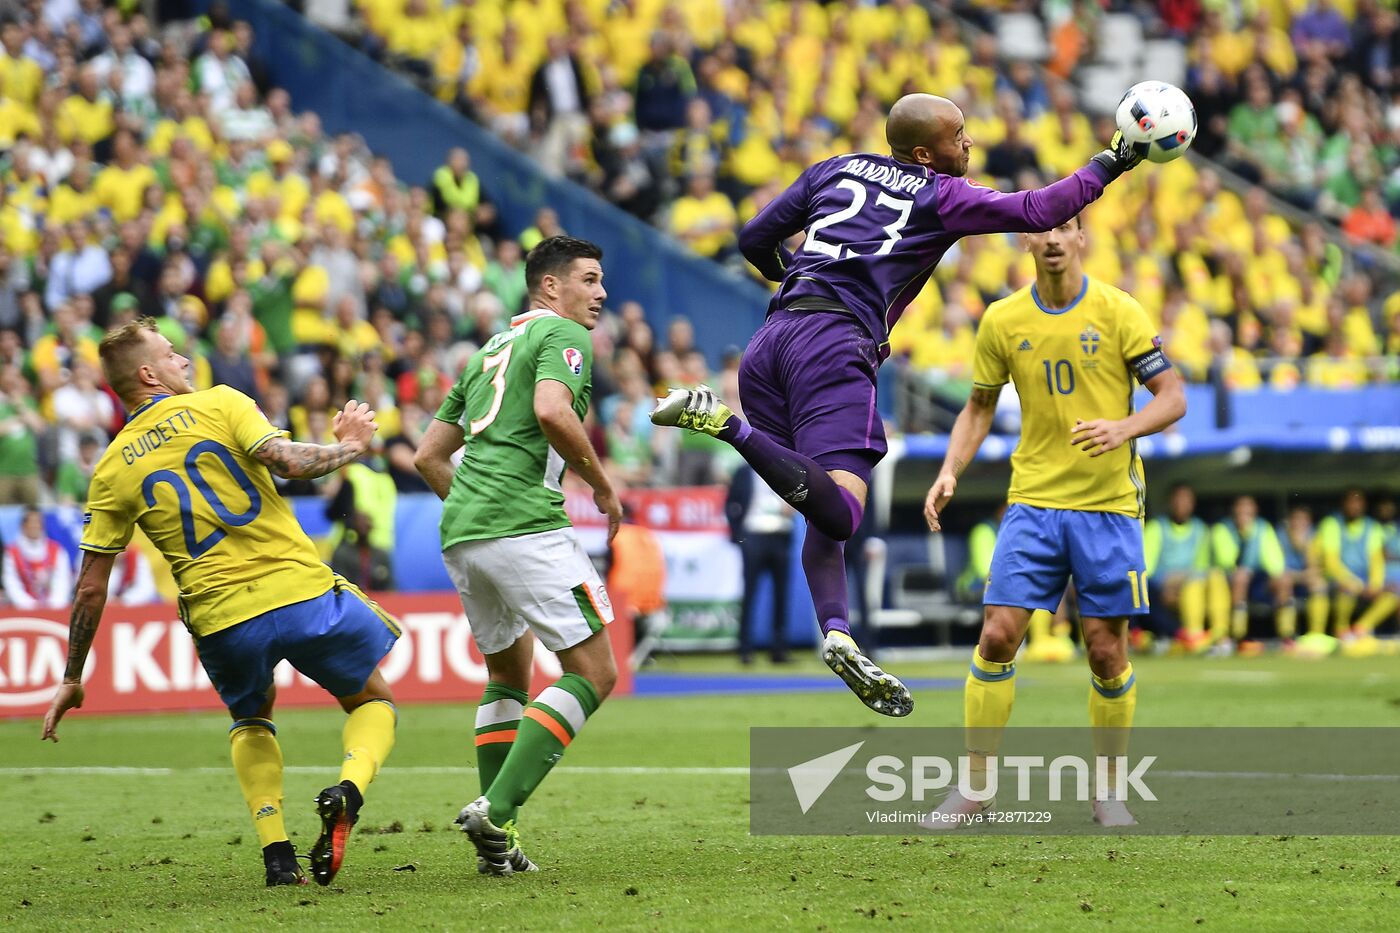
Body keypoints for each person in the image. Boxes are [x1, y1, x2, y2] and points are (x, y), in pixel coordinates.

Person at [651, 92, 1147, 717]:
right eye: (958, 135)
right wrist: (1114, 160)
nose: (969, 144)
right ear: (924, 153)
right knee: (842, 515)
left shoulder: (835, 169)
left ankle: (836, 631)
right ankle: (725, 425)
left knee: (819, 502)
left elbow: (753, 239)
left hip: (770, 343)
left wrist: (797, 277)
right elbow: (1039, 208)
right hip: (834, 348)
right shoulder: (940, 194)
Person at [41, 319, 400, 889]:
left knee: (251, 718)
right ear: (147, 373)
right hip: (298, 591)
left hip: (221, 618)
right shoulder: (222, 402)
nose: (184, 360)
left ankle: (278, 856)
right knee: (371, 700)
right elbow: (286, 460)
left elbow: (89, 585)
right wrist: (350, 446)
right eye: (171, 353)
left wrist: (71, 675)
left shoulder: (110, 468)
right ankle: (348, 792)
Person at [921, 214, 1186, 826]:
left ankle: (1109, 793)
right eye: (1041, 229)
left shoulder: (1119, 311)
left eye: (1065, 227)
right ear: (1026, 240)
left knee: (1104, 650)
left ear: (1082, 238)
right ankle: (976, 788)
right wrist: (950, 469)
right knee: (995, 636)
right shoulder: (1002, 319)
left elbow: (1173, 396)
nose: (1053, 239)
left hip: (1108, 507)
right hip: (1033, 503)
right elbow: (978, 407)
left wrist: (1124, 427)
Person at [413, 236, 621, 875]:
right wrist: (603, 485)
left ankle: (498, 847)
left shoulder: (483, 354)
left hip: (463, 533)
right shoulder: (563, 336)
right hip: (525, 526)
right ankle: (495, 811)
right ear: (550, 288)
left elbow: (427, 456)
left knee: (508, 675)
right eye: (589, 279)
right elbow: (552, 410)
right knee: (595, 672)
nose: (601, 293)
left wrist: (477, 510)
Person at [1316, 488, 1399, 655]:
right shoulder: (1331, 524)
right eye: (1351, 502)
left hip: (1364, 579)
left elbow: (1376, 560)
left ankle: (1360, 629)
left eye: (1358, 503)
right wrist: (1351, 581)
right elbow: (1332, 562)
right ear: (1344, 504)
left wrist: (1375, 584)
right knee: (1346, 590)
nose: (1354, 507)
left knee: (1393, 593)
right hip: (1338, 579)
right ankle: (1341, 630)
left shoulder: (1372, 527)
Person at [726, 464, 794, 665]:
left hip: (780, 533)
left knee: (781, 595)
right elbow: (731, 503)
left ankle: (779, 649)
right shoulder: (744, 471)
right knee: (750, 593)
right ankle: (745, 649)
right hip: (754, 534)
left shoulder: (785, 469)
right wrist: (738, 535)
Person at [1210, 495, 1288, 652]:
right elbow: (1227, 561)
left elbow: (1274, 562)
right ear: (1234, 511)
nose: (1244, 514)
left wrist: (1275, 575)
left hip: (1257, 580)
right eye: (1241, 509)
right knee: (1240, 577)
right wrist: (1244, 537)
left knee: (1283, 580)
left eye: (1248, 510)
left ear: (1255, 511)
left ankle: (1286, 636)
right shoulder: (1222, 529)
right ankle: (1238, 636)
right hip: (1229, 582)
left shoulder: (1263, 528)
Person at [1278, 504, 1331, 640]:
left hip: (1305, 579)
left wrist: (1306, 546)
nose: (1299, 523)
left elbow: (1316, 567)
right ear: (1289, 521)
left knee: (1319, 583)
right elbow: (1277, 568)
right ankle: (1287, 637)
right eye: (1296, 519)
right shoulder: (1280, 535)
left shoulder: (1315, 535)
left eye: (1304, 520)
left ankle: (1316, 634)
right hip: (1284, 579)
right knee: (1284, 582)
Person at [3, 508, 72, 610]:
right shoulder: (12, 552)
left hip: (54, 609)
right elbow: (11, 582)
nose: (34, 526)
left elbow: (62, 580)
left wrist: (54, 605)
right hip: (22, 611)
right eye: (31, 522)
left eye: (38, 522)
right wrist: (29, 606)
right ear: (23, 526)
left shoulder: (57, 550)